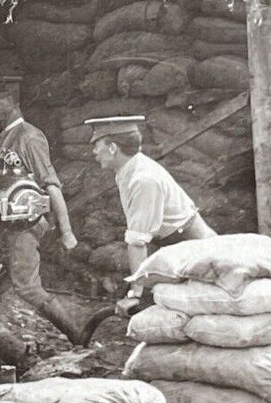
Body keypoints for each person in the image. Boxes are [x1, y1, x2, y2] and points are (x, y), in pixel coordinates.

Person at [0, 79, 109, 346]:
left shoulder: (28, 137)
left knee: (27, 287)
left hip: (25, 224)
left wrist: (67, 231)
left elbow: (51, 185)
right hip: (11, 221)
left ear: (10, 101)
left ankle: (79, 334)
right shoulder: (8, 136)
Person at [86, 115, 216, 305]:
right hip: (177, 245)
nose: (94, 152)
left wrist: (135, 295)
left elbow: (137, 243)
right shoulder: (128, 170)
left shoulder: (143, 180)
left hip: (196, 251)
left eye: (97, 145)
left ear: (113, 148)